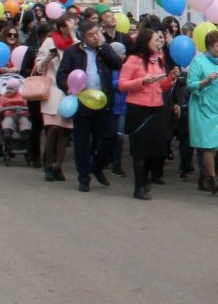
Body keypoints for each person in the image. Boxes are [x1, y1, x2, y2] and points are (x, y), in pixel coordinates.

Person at [59, 18, 122, 192]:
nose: (95, 37)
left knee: (111, 136)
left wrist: (103, 46)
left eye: (97, 32)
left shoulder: (104, 49)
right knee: (82, 141)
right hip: (82, 102)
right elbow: (62, 74)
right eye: (91, 35)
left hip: (103, 101)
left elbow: (117, 64)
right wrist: (68, 87)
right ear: (83, 37)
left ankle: (97, 165)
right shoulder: (73, 52)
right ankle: (84, 177)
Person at [118, 25, 171, 199]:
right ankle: (139, 186)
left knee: (156, 148)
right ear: (145, 42)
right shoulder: (134, 60)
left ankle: (148, 179)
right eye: (155, 39)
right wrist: (142, 81)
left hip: (157, 106)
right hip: (138, 108)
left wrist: (170, 78)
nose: (159, 42)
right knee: (140, 149)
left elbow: (162, 86)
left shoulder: (158, 59)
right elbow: (122, 84)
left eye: (159, 39)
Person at [186, 28, 218, 193]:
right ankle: (212, 178)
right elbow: (191, 85)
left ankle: (203, 177)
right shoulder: (199, 61)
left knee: (215, 145)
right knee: (207, 144)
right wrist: (205, 81)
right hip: (202, 107)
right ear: (210, 46)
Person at [32, 23, 73, 180]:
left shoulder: (75, 44)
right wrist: (50, 57)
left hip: (69, 89)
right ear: (62, 28)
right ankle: (48, 164)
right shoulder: (50, 42)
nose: (72, 28)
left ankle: (58, 166)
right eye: (70, 25)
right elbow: (38, 66)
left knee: (65, 130)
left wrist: (75, 36)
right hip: (53, 87)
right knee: (53, 128)